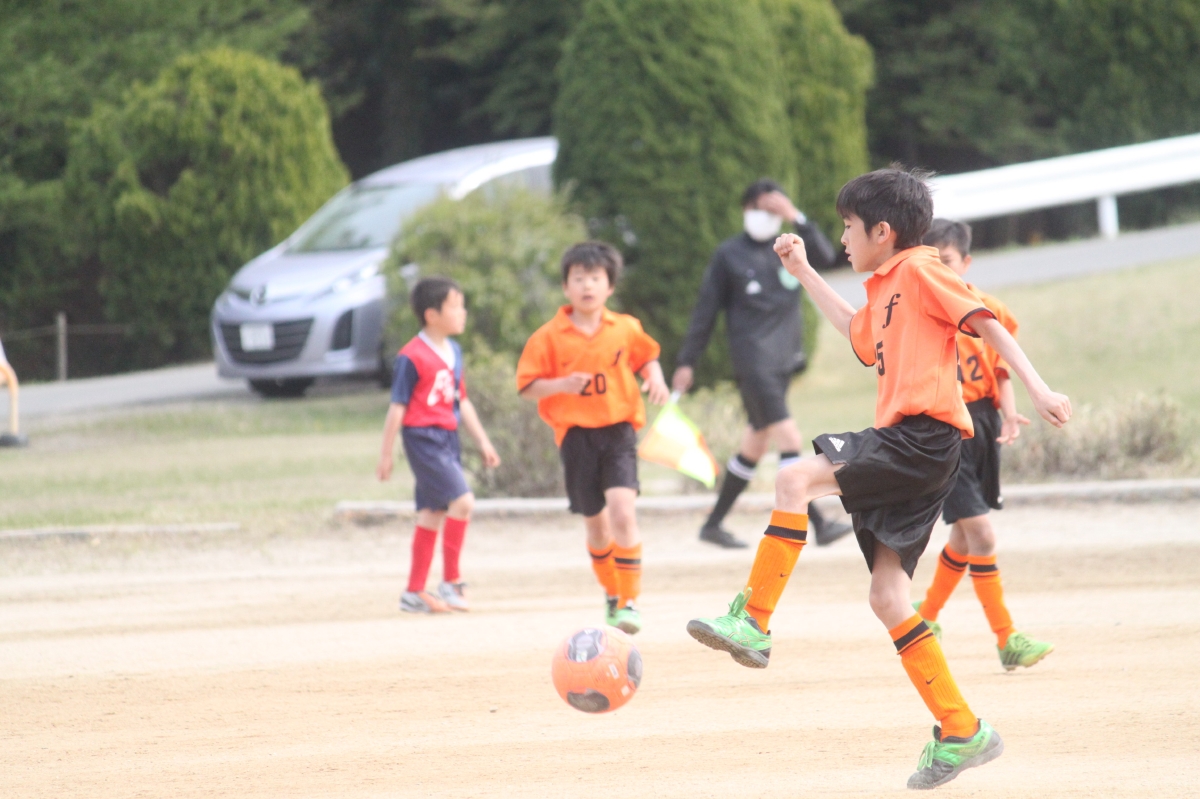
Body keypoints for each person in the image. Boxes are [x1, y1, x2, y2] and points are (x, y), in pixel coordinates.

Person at [684, 169, 1072, 789]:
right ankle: (962, 729)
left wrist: (1038, 388)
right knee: (888, 598)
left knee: (794, 480)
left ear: (882, 231)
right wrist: (804, 271)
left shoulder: (920, 270)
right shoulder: (890, 283)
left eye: (847, 226)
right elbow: (859, 336)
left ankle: (754, 620)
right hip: (923, 446)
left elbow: (987, 322)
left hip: (921, 437)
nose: (841, 238)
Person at [672, 178, 851, 549]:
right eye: (760, 208)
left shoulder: (787, 248)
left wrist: (794, 215)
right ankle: (818, 523)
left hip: (784, 359)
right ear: (745, 210)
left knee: (754, 444)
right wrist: (687, 360)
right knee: (789, 439)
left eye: (774, 208)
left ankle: (713, 525)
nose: (766, 215)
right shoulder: (729, 255)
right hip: (753, 361)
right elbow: (705, 310)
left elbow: (825, 258)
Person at [913, 219, 1054, 670]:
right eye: (933, 262)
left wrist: (1009, 413)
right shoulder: (924, 312)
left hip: (983, 423)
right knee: (983, 534)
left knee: (964, 534)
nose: (942, 270)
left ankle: (926, 614)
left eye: (948, 261)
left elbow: (999, 370)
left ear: (967, 262)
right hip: (945, 429)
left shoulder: (988, 310)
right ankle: (1006, 637)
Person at [516, 242, 670, 634]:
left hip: (619, 432)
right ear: (565, 286)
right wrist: (560, 384)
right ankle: (612, 592)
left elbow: (647, 356)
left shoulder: (625, 327)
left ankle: (630, 601)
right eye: (579, 278)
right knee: (598, 528)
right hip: (576, 437)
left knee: (623, 512)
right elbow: (527, 386)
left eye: (595, 278)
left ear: (610, 286)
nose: (587, 285)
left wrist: (655, 377)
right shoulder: (549, 336)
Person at [377, 277, 500, 614]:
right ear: (431, 315)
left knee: (433, 512)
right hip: (423, 438)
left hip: (447, 437)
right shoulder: (411, 356)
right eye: (455, 306)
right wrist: (386, 454)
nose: (463, 312)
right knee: (463, 501)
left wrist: (483, 441)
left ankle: (414, 592)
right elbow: (397, 407)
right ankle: (451, 582)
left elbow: (462, 401)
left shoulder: (454, 351)